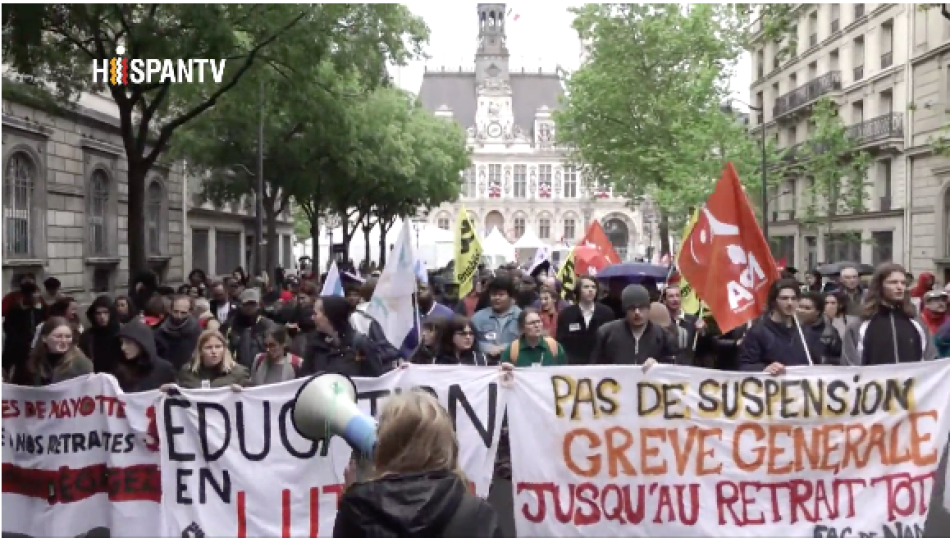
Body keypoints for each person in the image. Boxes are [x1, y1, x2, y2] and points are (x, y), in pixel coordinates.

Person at [333, 390, 503, 538]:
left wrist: (351, 500)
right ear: (445, 444)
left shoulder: (358, 509)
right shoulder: (477, 514)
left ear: (386, 442)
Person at [841, 264, 937, 365]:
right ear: (879, 285)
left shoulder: (917, 323)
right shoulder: (859, 325)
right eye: (893, 282)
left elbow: (930, 360)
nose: (900, 287)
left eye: (903, 283)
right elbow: (850, 364)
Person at [739, 279, 820, 374]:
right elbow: (744, 366)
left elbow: (816, 364)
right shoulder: (758, 332)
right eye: (784, 298)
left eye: (794, 298)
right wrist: (765, 368)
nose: (790, 303)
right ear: (774, 301)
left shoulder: (806, 332)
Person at [590, 284, 677, 367]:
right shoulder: (606, 333)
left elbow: (674, 367)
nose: (637, 312)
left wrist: (658, 365)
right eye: (632, 308)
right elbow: (596, 367)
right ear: (624, 310)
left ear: (648, 308)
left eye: (641, 307)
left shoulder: (663, 336)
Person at [303, 296, 383, 378]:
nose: (312, 318)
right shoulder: (314, 344)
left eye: (315, 314)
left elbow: (375, 381)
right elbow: (303, 378)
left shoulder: (361, 344)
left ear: (330, 316)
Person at [10, 316, 93, 386]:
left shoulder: (81, 363)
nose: (64, 341)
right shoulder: (32, 362)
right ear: (44, 338)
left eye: (68, 337)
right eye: (58, 336)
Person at [556, 276, 615, 365]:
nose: (590, 290)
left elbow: (610, 342)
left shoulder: (606, 313)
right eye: (586, 287)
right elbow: (561, 342)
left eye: (593, 287)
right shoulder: (566, 314)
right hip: (574, 366)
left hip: (600, 366)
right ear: (578, 290)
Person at [111, 319, 176, 392]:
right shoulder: (119, 368)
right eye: (121, 342)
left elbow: (175, 398)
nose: (123, 347)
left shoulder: (164, 369)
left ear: (141, 343)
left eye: (128, 342)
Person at [173, 330, 250, 390]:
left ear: (224, 349)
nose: (214, 351)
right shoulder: (186, 373)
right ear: (200, 351)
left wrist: (242, 391)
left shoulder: (239, 374)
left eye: (218, 347)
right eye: (208, 347)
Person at [471, 275, 522, 364]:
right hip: (486, 367)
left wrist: (507, 347)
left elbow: (528, 340)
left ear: (510, 297)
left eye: (501, 295)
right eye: (494, 294)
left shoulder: (521, 316)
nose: (497, 298)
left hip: (515, 365)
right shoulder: (478, 318)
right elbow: (471, 341)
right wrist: (486, 347)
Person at [225, 288, 276, 369]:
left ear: (258, 305)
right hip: (239, 371)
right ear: (241, 305)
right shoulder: (232, 325)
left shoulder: (267, 325)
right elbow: (227, 350)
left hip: (264, 369)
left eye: (253, 304)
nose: (250, 307)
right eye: (246, 304)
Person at [500, 308, 567, 367]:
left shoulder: (553, 346)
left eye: (539, 322)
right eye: (532, 323)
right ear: (522, 328)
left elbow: (564, 372)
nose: (537, 325)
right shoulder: (512, 350)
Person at [155, 295, 202, 370]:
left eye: (183, 313)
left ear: (190, 312)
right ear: (170, 310)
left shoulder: (197, 331)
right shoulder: (160, 330)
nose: (179, 316)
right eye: (175, 311)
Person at [796, 291, 843, 365]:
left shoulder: (829, 332)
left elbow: (840, 359)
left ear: (817, 312)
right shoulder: (789, 328)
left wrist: (823, 360)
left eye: (807, 308)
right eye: (800, 307)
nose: (802, 311)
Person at [79, 296, 122, 373]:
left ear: (111, 313)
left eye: (106, 312)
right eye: (98, 313)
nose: (102, 317)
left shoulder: (122, 332)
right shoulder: (87, 336)